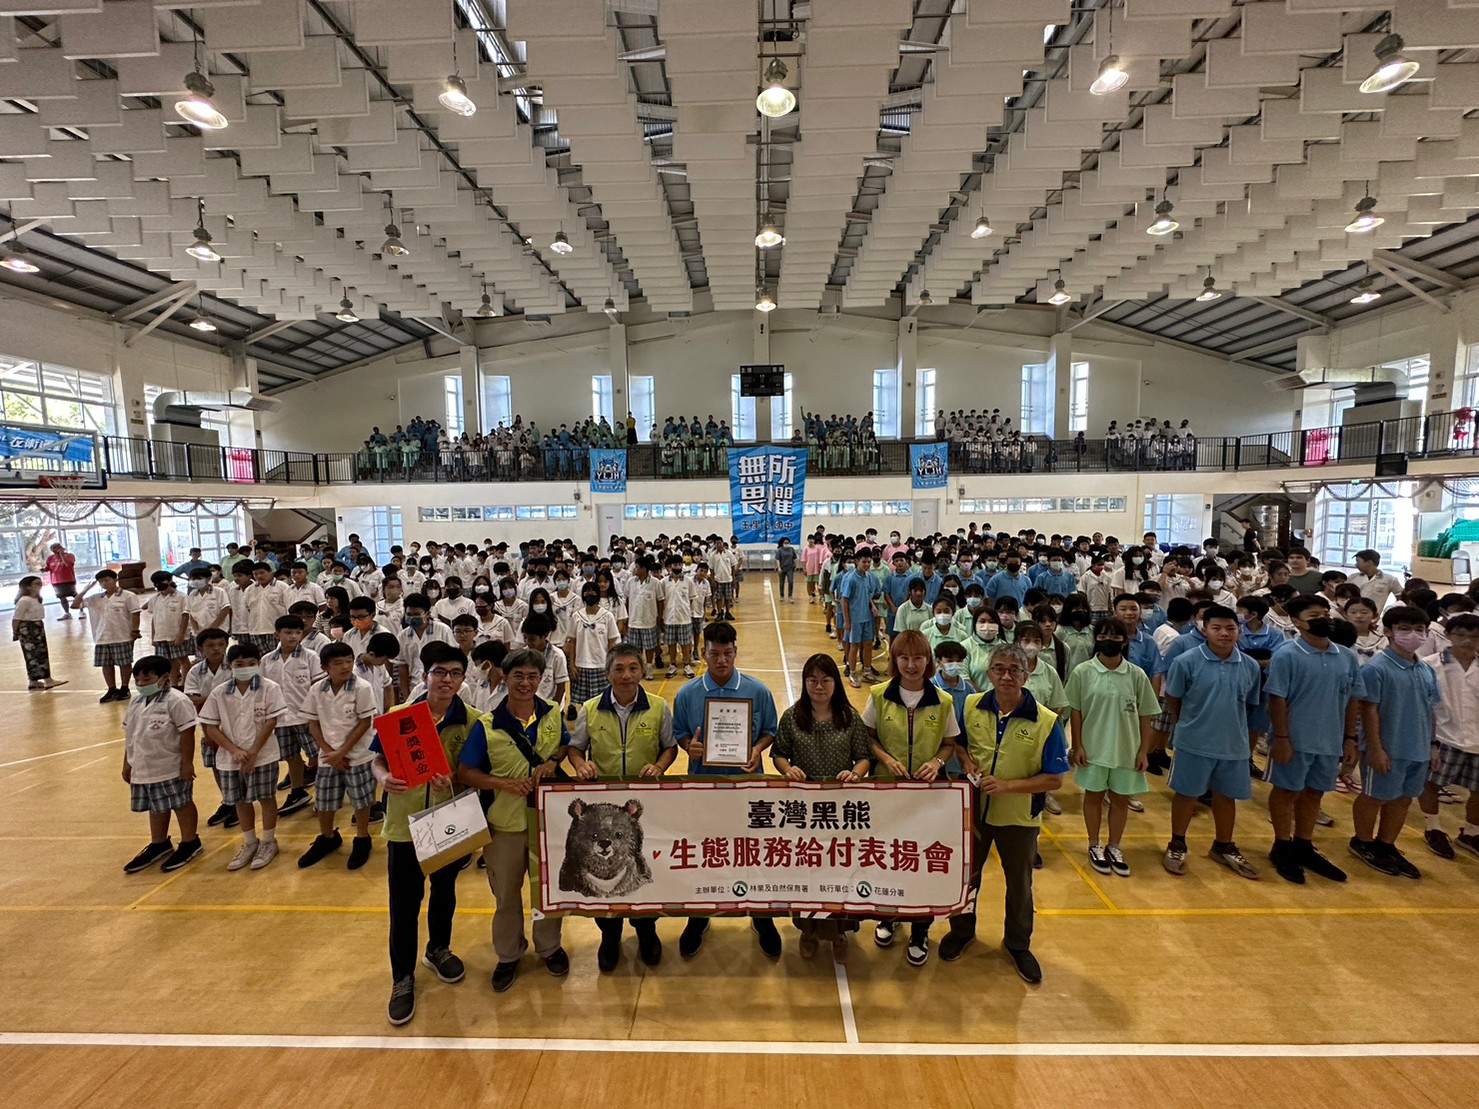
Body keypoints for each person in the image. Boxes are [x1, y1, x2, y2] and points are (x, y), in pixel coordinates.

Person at [370, 641, 483, 1025]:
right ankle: (402, 977)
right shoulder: (399, 717)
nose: (446, 679)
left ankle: (438, 949)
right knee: (403, 904)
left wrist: (454, 779)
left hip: (449, 822)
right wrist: (383, 778)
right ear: (425, 676)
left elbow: (474, 771)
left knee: (445, 892)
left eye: (454, 673)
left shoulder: (473, 721)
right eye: (439, 672)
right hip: (404, 827)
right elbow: (378, 759)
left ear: (463, 679)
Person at [943, 644, 1069, 983]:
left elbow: (1055, 778)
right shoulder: (972, 705)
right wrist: (967, 762)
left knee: (1019, 885)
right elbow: (959, 744)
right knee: (967, 877)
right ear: (990, 673)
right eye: (999, 668)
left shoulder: (1046, 720)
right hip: (973, 811)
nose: (1006, 676)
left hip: (1019, 818)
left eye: (1014, 669)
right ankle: (961, 931)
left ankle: (1017, 944)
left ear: (1026, 675)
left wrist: (1008, 786)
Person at [456, 647, 571, 992]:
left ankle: (549, 947)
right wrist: (502, 783)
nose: (525, 683)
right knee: (506, 895)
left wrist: (553, 762)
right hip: (504, 826)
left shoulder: (552, 713)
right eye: (518, 676)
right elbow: (466, 772)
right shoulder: (487, 726)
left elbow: (563, 745)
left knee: (549, 890)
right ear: (504, 678)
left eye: (532, 676)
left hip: (548, 824)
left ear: (541, 679)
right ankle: (508, 954)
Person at [671, 621, 780, 957]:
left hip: (748, 790)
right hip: (704, 790)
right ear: (703, 653)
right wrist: (690, 747)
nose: (721, 660)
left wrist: (757, 749)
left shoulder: (758, 691)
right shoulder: (687, 694)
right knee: (705, 854)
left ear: (736, 652)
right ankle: (699, 915)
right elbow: (680, 733)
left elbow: (770, 730)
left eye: (727, 653)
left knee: (754, 852)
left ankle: (762, 915)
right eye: (714, 653)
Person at [567, 643, 678, 972]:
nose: (626, 675)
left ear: (642, 671)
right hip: (603, 812)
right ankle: (609, 935)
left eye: (633, 668)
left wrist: (659, 766)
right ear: (607, 674)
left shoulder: (658, 707)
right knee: (603, 875)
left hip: (646, 807)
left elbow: (670, 748)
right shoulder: (590, 709)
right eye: (619, 669)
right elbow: (576, 749)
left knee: (644, 872)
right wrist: (580, 765)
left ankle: (647, 931)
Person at [861, 631, 957, 966]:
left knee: (922, 862)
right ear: (895, 660)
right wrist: (886, 759)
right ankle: (888, 917)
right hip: (887, 794)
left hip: (928, 798)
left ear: (928, 661)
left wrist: (937, 762)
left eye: (918, 658)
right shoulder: (879, 695)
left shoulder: (943, 700)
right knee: (887, 856)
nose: (911, 664)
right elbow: (868, 737)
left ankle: (920, 929)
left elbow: (950, 743)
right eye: (904, 657)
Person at [773, 652, 872, 963]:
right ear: (804, 683)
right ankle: (808, 931)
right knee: (806, 869)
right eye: (812, 680)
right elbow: (778, 753)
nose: (819, 686)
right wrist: (787, 769)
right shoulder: (792, 717)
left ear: (835, 683)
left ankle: (839, 932)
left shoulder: (850, 717)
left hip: (841, 812)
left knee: (840, 871)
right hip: (803, 811)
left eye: (825, 680)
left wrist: (855, 774)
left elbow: (864, 757)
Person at [1161, 606, 1263, 880]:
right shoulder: (1186, 661)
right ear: (1204, 630)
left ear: (1239, 632)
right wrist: (1187, 724)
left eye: (1230, 628)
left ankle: (1223, 845)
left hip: (1233, 745)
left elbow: (1250, 705)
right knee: (1186, 795)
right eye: (1216, 628)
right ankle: (1177, 843)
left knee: (1226, 796)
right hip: (1193, 742)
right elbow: (1174, 697)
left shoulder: (1250, 666)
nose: (1224, 634)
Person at [1263, 596, 1360, 885]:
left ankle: (1304, 844)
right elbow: (1277, 699)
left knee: (1315, 792)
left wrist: (1350, 738)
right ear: (1296, 621)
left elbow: (1352, 699)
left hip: (1329, 740)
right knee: (1286, 791)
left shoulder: (1346, 657)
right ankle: (1282, 845)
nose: (1324, 618)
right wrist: (1281, 737)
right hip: (1295, 739)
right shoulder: (1287, 655)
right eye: (1314, 615)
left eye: (1326, 613)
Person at [1350, 605, 1443, 879]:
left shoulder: (1425, 669)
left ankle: (1386, 844)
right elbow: (1369, 710)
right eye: (1404, 629)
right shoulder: (1376, 668)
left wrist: (1433, 745)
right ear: (1389, 632)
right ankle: (1362, 842)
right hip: (1387, 747)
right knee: (1374, 796)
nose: (1412, 634)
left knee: (1403, 800)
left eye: (1419, 629)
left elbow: (1430, 710)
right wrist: (1375, 749)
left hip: (1418, 748)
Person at [1065, 618, 1159, 878]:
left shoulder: (1136, 675)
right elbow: (1076, 712)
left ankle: (1114, 846)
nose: (1109, 640)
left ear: (1125, 641)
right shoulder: (1083, 672)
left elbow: (1146, 715)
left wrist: (1143, 751)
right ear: (1096, 639)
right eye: (1104, 636)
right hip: (1094, 749)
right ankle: (1094, 844)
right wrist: (1077, 745)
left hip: (1127, 750)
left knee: (1120, 799)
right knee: (1093, 797)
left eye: (1116, 636)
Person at [197, 642, 286, 872]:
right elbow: (211, 726)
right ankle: (249, 842)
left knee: (266, 797)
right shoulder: (219, 692)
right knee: (240, 800)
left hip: (263, 755)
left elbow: (271, 722)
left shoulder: (269, 688)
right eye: (239, 664)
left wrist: (253, 752)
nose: (245, 668)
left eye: (251, 663)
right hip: (231, 758)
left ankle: (269, 841)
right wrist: (234, 750)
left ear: (258, 663)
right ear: (230, 666)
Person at [298, 642, 379, 870]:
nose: (345, 667)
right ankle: (328, 837)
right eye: (338, 663)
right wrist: (328, 752)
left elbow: (365, 722)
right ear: (325, 667)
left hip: (358, 754)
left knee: (361, 800)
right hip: (328, 757)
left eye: (348, 661)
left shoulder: (361, 687)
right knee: (324, 801)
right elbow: (313, 723)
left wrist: (342, 752)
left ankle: (362, 838)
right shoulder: (317, 689)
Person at [120, 654, 203, 874]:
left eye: (147, 679)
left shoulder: (176, 700)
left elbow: (187, 732)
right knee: (155, 805)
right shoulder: (136, 701)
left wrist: (187, 764)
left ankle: (190, 841)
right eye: (138, 680)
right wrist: (127, 762)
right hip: (143, 766)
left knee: (181, 803)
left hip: (170, 765)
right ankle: (159, 843)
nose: (141, 684)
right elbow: (130, 734)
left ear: (165, 677)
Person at [1419, 613, 1479, 861]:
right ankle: (1433, 827)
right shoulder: (1429, 665)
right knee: (1432, 783)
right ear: (1448, 635)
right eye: (1461, 635)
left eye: (1474, 636)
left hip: (1476, 738)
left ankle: (1471, 832)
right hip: (1443, 736)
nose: (1467, 641)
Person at [74, 568, 142, 703]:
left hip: (122, 635)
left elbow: (135, 613)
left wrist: (135, 630)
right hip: (102, 636)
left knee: (124, 663)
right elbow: (75, 605)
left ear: (115, 580)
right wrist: (84, 591)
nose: (104, 584)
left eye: (106, 580)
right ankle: (111, 689)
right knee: (106, 664)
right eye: (101, 582)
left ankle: (125, 688)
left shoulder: (128, 596)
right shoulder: (95, 598)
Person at [836, 550, 882, 687]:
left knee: (868, 644)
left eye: (869, 562)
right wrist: (847, 621)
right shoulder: (851, 579)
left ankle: (867, 671)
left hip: (867, 618)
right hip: (855, 619)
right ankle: (852, 673)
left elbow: (868, 595)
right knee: (854, 646)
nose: (867, 564)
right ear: (857, 561)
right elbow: (844, 600)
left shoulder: (869, 577)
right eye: (864, 562)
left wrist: (872, 606)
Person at [13, 575, 63, 690]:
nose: (40, 586)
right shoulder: (24, 600)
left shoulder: (36, 599)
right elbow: (16, 618)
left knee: (39, 653)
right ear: (28, 587)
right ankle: (46, 679)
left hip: (37, 626)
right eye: (36, 584)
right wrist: (15, 632)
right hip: (28, 628)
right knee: (35, 654)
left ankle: (35, 680)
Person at [44, 541, 78, 620]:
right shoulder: (50, 558)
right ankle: (67, 613)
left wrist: (62, 554)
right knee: (62, 597)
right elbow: (48, 568)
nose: (55, 550)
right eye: (53, 549)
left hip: (68, 579)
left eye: (57, 548)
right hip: (56, 581)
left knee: (75, 595)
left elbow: (68, 564)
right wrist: (43, 569)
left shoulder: (69, 556)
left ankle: (82, 611)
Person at [775, 537, 797, 603]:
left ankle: (790, 596)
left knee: (791, 581)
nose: (787, 544)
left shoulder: (791, 549)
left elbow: (794, 557)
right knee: (782, 583)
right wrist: (779, 567)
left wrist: (796, 565)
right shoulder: (779, 550)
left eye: (788, 543)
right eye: (785, 543)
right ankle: (782, 595)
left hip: (790, 567)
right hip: (782, 568)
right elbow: (777, 559)